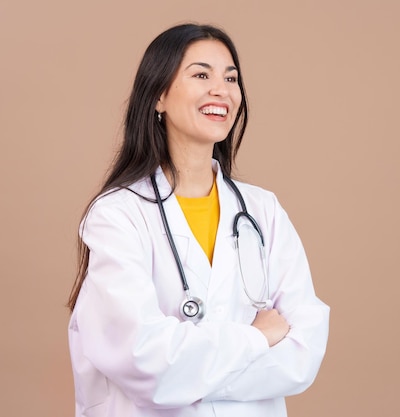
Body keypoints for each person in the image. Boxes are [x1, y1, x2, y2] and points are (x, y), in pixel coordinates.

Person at [67, 23, 330, 417]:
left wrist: (189, 372)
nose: (221, 90)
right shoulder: (117, 215)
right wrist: (256, 339)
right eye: (201, 75)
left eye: (231, 78)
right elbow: (146, 361)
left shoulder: (263, 211)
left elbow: (304, 352)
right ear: (159, 95)